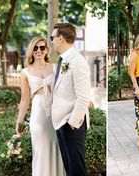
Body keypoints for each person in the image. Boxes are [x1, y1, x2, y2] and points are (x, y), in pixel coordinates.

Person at [15, 37, 66, 176]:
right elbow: (25, 100)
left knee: (58, 149)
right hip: (38, 117)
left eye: (42, 48)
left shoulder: (56, 68)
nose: (39, 51)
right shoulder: (25, 72)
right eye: (35, 48)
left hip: (56, 114)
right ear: (31, 51)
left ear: (46, 50)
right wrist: (19, 123)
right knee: (40, 151)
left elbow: (66, 90)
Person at [50, 23, 91, 175]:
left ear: (61, 38)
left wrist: (72, 123)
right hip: (61, 122)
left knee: (76, 170)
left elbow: (83, 98)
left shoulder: (78, 61)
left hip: (72, 124)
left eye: (52, 37)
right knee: (69, 168)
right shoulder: (63, 60)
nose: (51, 41)